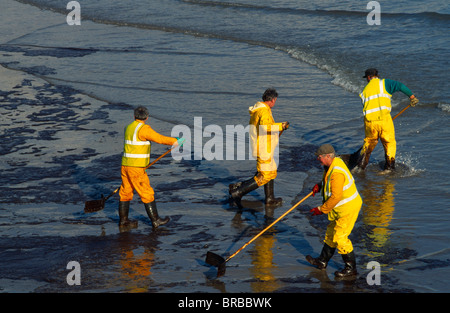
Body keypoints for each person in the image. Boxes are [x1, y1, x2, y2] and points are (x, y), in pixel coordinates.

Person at [118, 106, 183, 230]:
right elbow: (160, 139)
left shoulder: (129, 127)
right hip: (136, 168)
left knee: (125, 192)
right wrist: (176, 141)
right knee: (147, 193)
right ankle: (156, 220)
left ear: (134, 116)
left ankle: (123, 221)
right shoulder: (144, 129)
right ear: (147, 117)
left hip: (126, 165)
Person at [306, 144, 362, 277]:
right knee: (331, 233)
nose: (318, 159)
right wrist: (319, 186)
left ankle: (351, 268)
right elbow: (329, 181)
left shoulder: (336, 172)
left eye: (319, 157)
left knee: (340, 237)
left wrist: (321, 209)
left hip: (348, 208)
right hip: (340, 209)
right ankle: (322, 261)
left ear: (327, 156)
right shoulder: (333, 163)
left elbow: (336, 196)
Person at [229, 88, 289, 209]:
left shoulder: (259, 110)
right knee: (265, 175)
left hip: (263, 146)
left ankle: (270, 198)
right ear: (272, 100)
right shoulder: (264, 112)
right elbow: (266, 127)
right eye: (275, 100)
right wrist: (281, 126)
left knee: (271, 171)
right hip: (263, 148)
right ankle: (238, 192)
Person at [355, 68, 419, 171]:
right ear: (377, 75)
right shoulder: (384, 83)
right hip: (384, 120)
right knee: (389, 143)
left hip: (369, 123)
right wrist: (412, 97)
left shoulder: (364, 91)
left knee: (368, 143)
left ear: (368, 77)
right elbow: (400, 86)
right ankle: (388, 168)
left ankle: (360, 167)